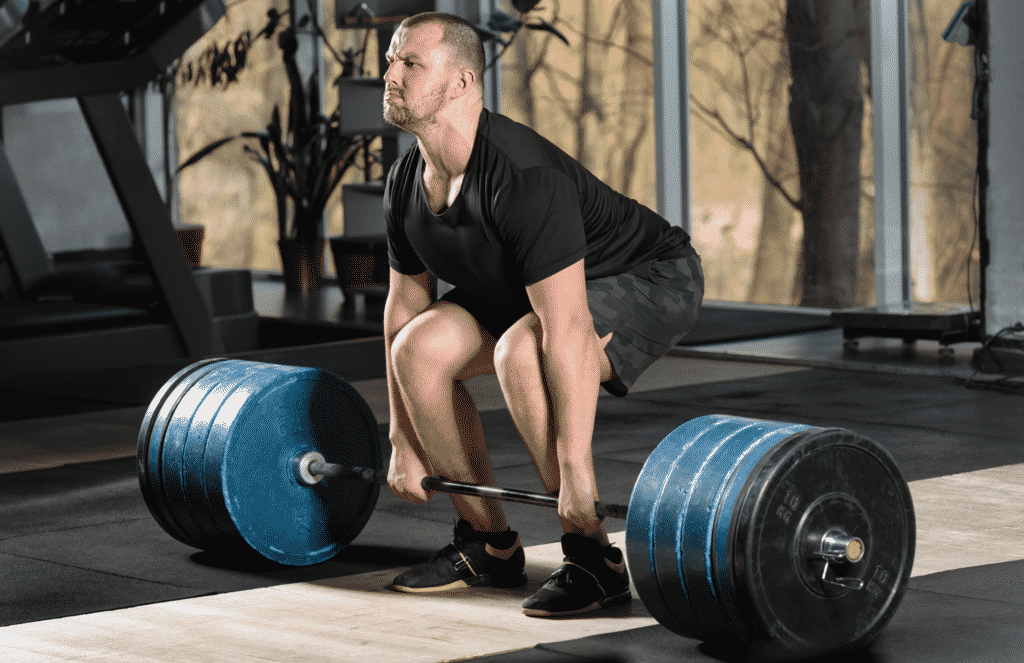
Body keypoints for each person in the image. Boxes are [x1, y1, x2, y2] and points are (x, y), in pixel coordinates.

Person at [380, 11, 703, 617]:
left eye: (410, 63)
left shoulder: (523, 175)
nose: (389, 74)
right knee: (417, 351)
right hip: (516, 287)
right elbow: (403, 311)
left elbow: (566, 330)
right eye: (393, 59)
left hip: (647, 275)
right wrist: (401, 437)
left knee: (521, 352)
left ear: (462, 84)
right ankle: (488, 543)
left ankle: (590, 554)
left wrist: (576, 469)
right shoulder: (405, 182)